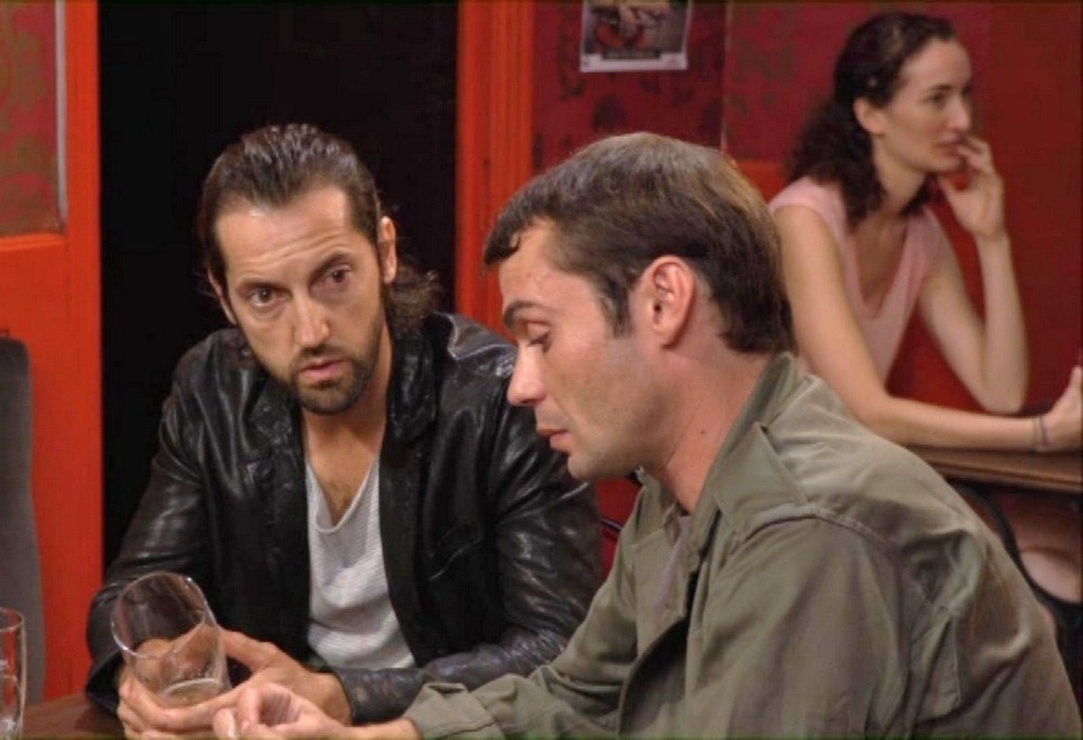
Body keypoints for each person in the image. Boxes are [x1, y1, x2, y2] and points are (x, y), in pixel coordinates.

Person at [210, 133, 1082, 738]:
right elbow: (578, 698)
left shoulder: (808, 526)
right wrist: (366, 737)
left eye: (540, 335)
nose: (520, 382)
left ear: (663, 301)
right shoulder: (682, 485)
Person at [84, 123, 604, 734]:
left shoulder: (500, 399)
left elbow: (559, 650)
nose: (311, 333)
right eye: (265, 296)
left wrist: (344, 697)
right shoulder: (213, 390)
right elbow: (132, 595)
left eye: (334, 277)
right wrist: (147, 675)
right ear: (225, 298)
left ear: (385, 252)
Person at [769, 12, 1081, 624]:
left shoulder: (919, 230)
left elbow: (1000, 389)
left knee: (1065, 556)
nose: (962, 120)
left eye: (965, 95)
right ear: (871, 114)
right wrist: (1042, 434)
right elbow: (868, 410)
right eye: (938, 99)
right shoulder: (803, 221)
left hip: (861, 473)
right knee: (1036, 574)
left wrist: (992, 239)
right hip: (791, 487)